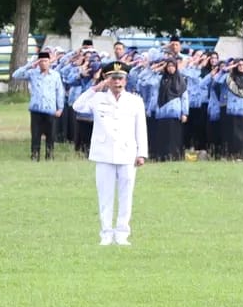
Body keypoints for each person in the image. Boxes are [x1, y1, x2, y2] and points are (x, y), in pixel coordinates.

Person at [72, 62, 148, 246]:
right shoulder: (98, 98)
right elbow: (77, 106)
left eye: (120, 78)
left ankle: (122, 233)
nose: (117, 82)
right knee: (105, 195)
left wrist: (142, 153)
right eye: (113, 78)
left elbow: (141, 128)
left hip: (127, 152)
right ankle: (106, 233)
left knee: (126, 195)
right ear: (107, 80)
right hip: (104, 152)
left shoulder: (134, 100)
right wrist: (96, 88)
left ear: (126, 80)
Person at [12, 51, 65, 161]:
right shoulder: (32, 73)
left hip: (50, 110)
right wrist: (30, 65)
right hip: (36, 110)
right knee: (35, 135)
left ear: (49, 62)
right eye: (41, 62)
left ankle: (49, 156)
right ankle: (35, 155)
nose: (44, 64)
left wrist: (60, 108)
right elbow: (16, 75)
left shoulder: (55, 75)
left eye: (46, 61)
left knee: (51, 136)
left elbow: (59, 92)